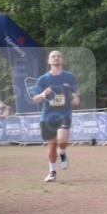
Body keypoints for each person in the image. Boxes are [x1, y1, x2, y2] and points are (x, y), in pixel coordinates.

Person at [31, 50, 80, 182]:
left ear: (62, 60)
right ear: (49, 61)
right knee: (52, 146)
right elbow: (35, 99)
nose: (56, 58)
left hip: (64, 114)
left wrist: (76, 98)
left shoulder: (70, 77)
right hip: (47, 117)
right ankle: (52, 171)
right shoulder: (43, 79)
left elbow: (76, 93)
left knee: (62, 139)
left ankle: (63, 153)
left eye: (58, 56)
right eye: (53, 56)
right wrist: (42, 95)